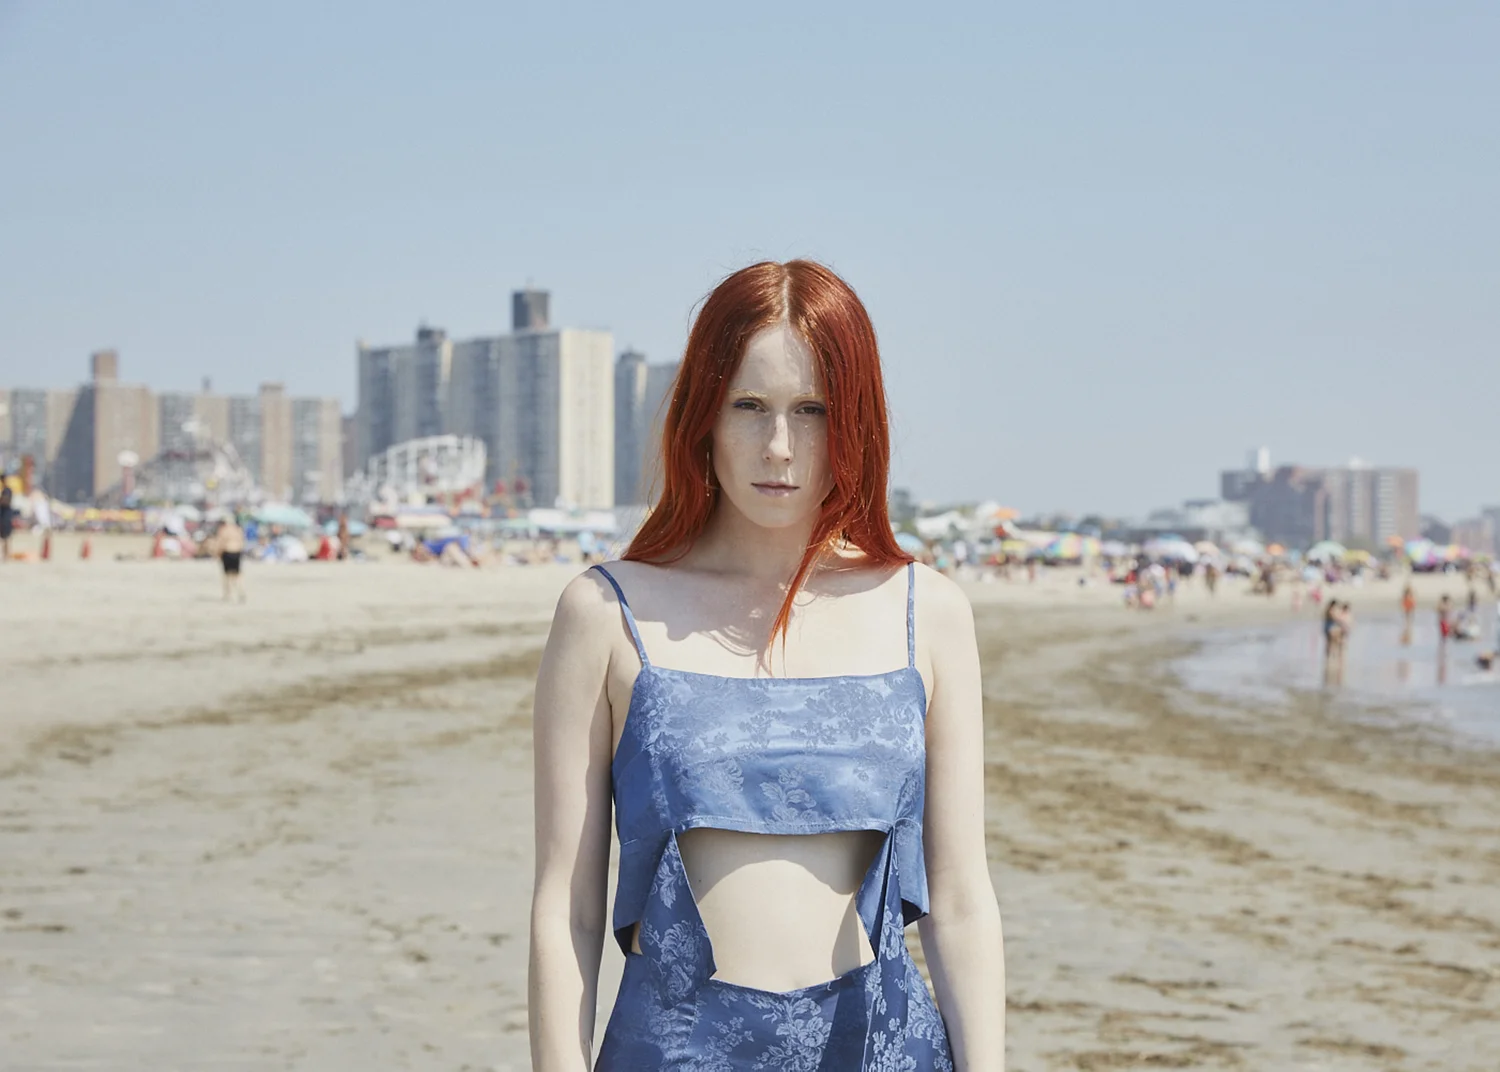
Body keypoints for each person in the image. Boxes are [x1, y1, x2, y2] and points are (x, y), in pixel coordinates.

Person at [528, 261, 1001, 1070]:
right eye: (749, 405)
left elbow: (959, 901)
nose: (779, 447)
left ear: (856, 421)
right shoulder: (605, 613)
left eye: (813, 410)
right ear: (703, 414)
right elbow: (564, 910)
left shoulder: (929, 613)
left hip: (884, 1050)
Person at [210, 517, 247, 602]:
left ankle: (228, 594)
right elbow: (242, 541)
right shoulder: (237, 529)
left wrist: (217, 554)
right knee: (238, 574)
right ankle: (241, 591)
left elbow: (220, 543)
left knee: (227, 575)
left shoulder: (223, 530)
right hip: (237, 551)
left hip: (227, 551)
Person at [0, 484, 13, 561]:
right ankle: (4, 555)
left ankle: (6, 555)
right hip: (2, 518)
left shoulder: (7, 491)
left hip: (6, 520)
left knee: (7, 539)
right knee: (4, 539)